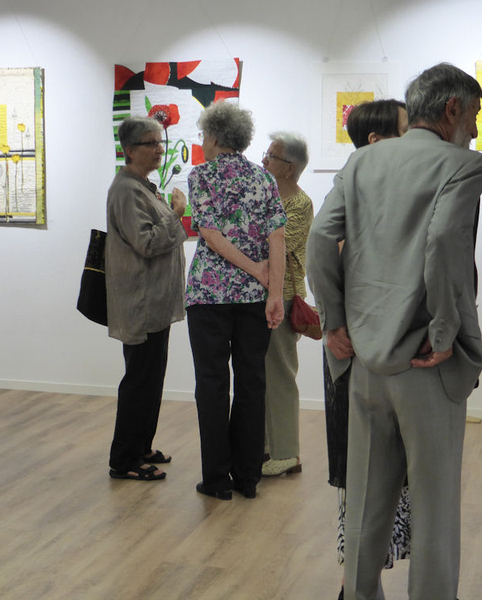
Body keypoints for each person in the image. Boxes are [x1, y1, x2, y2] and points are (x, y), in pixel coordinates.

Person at [307, 63, 482, 600]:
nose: (475, 128)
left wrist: (334, 322)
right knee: (434, 506)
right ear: (452, 108)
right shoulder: (465, 164)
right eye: (474, 114)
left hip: (364, 358)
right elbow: (443, 244)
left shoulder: (363, 160)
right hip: (424, 363)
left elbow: (320, 238)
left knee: (366, 498)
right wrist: (444, 331)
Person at [323, 100, 411, 600]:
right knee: (360, 476)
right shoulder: (354, 191)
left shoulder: (384, 188)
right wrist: (336, 323)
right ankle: (354, 584)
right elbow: (327, 252)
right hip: (357, 355)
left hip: (376, 353)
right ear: (376, 141)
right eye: (406, 130)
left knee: (385, 476)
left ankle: (361, 582)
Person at [186, 101, 286, 501]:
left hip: (208, 296)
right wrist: (272, 290)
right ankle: (247, 477)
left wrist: (256, 270)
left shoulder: (201, 175)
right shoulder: (264, 179)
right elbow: (277, 237)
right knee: (251, 382)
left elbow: (210, 236)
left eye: (203, 136)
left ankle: (216, 480)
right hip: (253, 299)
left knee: (211, 384)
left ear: (213, 136)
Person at [106, 116, 188, 482]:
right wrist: (176, 214)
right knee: (139, 381)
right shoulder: (126, 190)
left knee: (152, 379)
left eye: (160, 142)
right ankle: (125, 459)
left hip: (155, 302)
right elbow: (148, 242)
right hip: (140, 303)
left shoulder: (143, 186)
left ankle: (141, 446)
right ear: (129, 150)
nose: (158, 149)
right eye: (150, 143)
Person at [260, 132, 313, 477]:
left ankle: (286, 453)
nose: (264, 160)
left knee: (279, 374)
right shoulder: (268, 197)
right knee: (263, 375)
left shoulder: (299, 204)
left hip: (284, 296)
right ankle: (266, 447)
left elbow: (274, 248)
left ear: (289, 168)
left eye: (271, 156)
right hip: (264, 295)